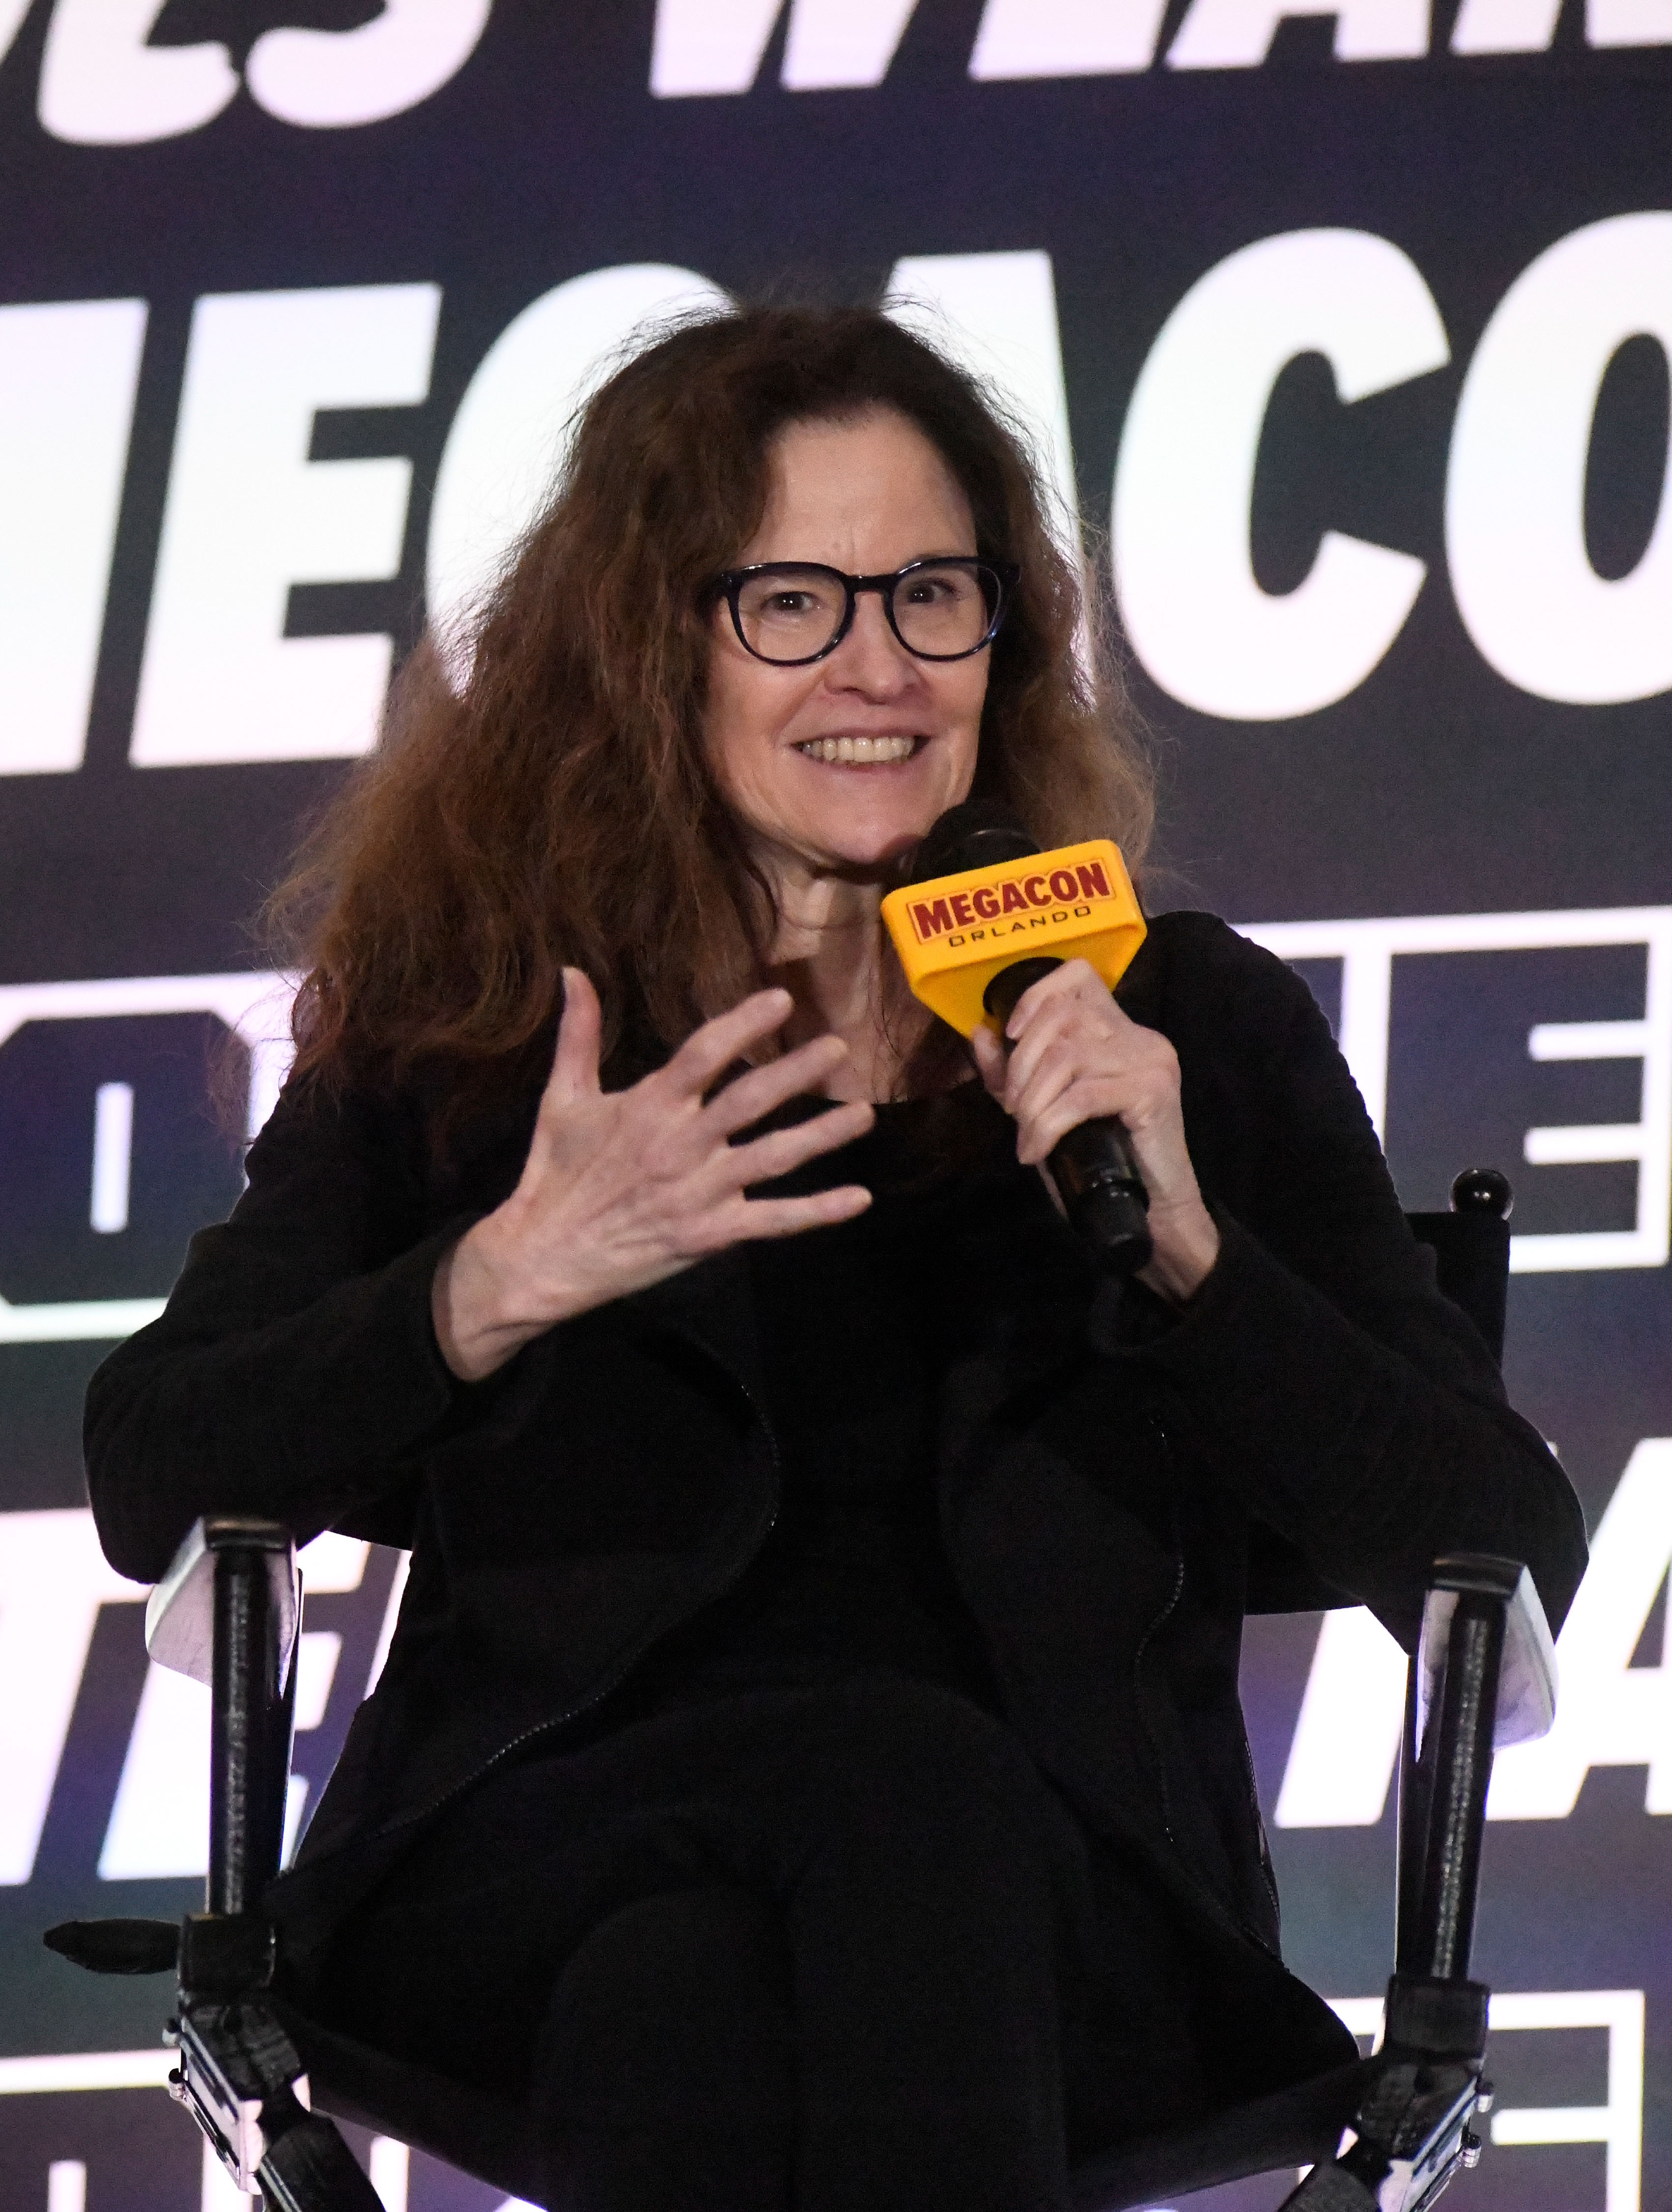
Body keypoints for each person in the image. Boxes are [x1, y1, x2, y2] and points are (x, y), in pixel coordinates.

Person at [84, 305, 1586, 2212]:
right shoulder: (475, 1035)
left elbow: (1492, 1542)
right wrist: (497, 1281)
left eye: (930, 595)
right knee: (856, 1800)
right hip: (525, 1860)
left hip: (1065, 1922)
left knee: (699, 1980)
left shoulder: (1173, 1029)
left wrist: (1192, 1247)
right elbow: (157, 1461)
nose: (875, 667)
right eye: (787, 601)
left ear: (1005, 633)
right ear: (650, 651)